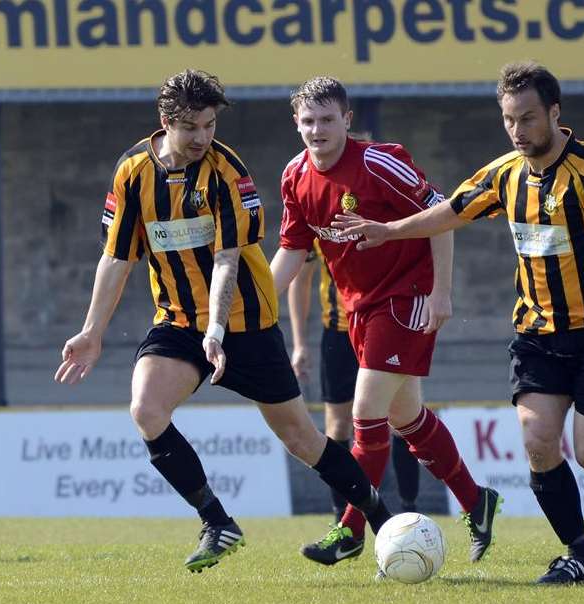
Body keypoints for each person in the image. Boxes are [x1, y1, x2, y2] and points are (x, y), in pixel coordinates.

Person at [333, 61, 584, 584]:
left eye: (527, 118)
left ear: (554, 113)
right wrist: (390, 230)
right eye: (508, 120)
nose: (518, 131)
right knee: (539, 441)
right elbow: (451, 211)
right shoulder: (505, 174)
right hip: (537, 334)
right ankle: (579, 556)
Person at [54, 69, 391, 574]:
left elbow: (228, 258)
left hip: (245, 323)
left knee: (303, 440)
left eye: (209, 126)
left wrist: (217, 331)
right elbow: (117, 257)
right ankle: (218, 522)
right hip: (179, 322)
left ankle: (384, 523)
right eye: (191, 127)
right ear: (165, 122)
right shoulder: (132, 174)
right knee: (146, 410)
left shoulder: (226, 170)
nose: (202, 138)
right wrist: (92, 332)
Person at [271, 77, 501, 566]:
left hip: (405, 297)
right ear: (296, 123)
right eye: (308, 121)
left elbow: (446, 214)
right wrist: (251, 308)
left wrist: (441, 293)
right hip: (358, 307)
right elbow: (292, 252)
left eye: (328, 119)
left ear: (347, 121)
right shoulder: (294, 175)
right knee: (405, 418)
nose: (318, 130)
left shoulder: (378, 163)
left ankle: (350, 531)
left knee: (366, 414)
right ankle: (476, 501)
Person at [288, 240, 421, 522]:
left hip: (384, 327)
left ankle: (410, 511)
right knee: (337, 425)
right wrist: (299, 344)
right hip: (338, 333)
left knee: (401, 420)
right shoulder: (317, 220)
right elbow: (299, 280)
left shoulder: (381, 211)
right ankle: (342, 518)